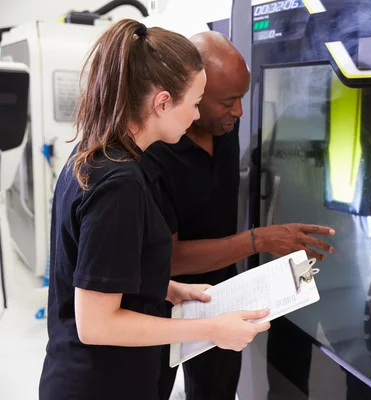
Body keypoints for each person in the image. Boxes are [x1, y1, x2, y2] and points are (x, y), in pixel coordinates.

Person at [38, 20, 270, 400]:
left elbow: (97, 272)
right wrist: (211, 328)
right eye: (194, 104)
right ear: (162, 102)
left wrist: (165, 288)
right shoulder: (119, 184)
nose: (197, 117)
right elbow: (96, 324)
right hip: (100, 385)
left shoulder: (99, 155)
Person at [145, 31, 336, 400]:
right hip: (162, 297)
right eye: (228, 101)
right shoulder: (156, 151)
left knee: (217, 390)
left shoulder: (224, 128)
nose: (240, 112)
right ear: (193, 97)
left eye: (243, 99)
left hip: (224, 292)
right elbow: (171, 258)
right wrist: (260, 239)